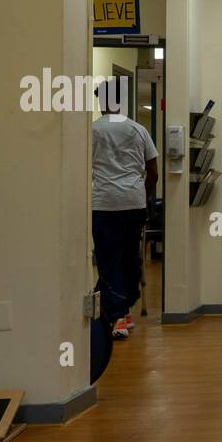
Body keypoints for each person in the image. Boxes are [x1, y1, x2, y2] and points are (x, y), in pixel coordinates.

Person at [91, 77, 157, 340]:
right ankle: (124, 312)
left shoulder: (93, 131)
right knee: (129, 257)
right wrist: (143, 195)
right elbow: (153, 171)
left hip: (104, 203)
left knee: (108, 260)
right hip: (133, 203)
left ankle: (117, 316)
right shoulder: (138, 130)